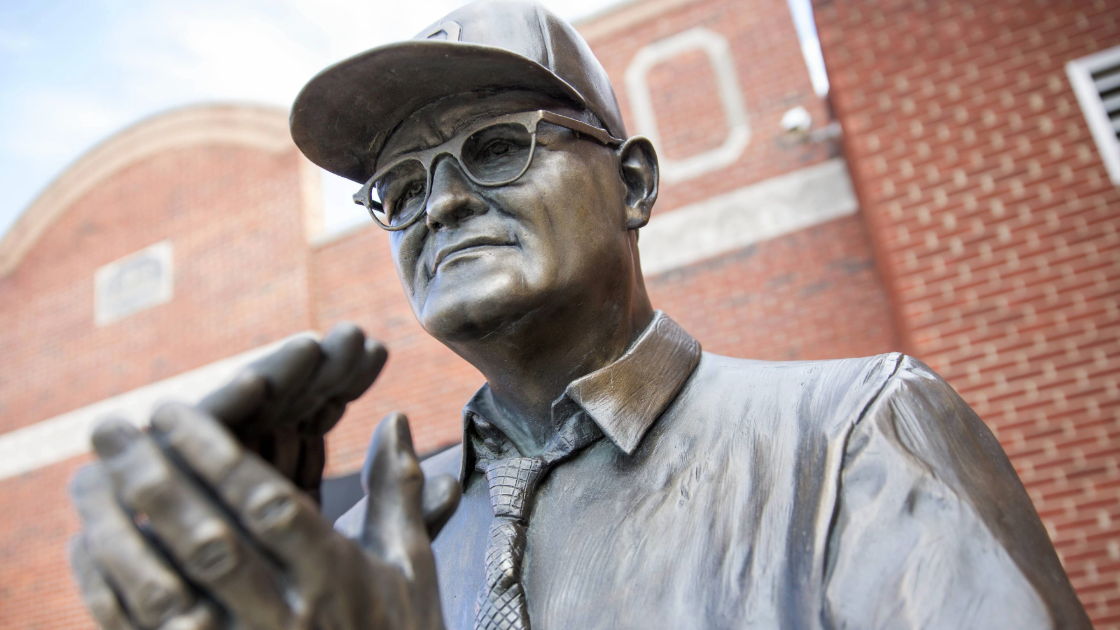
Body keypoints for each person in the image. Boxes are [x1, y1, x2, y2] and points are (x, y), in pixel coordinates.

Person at [69, 1, 1092, 629]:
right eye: (400, 188)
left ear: (634, 183)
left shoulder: (850, 434)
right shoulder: (374, 540)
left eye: (498, 147)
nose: (443, 202)